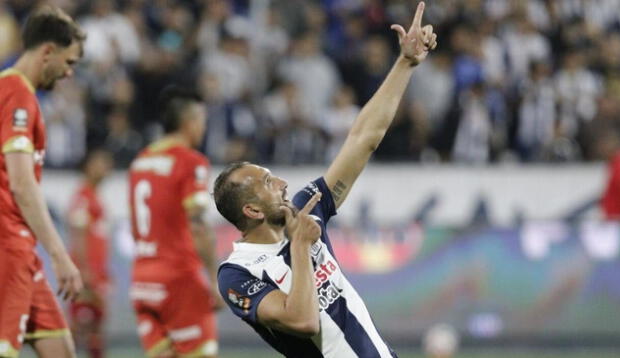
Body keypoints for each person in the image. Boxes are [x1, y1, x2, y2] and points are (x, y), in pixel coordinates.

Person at [212, 2, 437, 357]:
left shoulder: (306, 209)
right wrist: (300, 248)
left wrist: (405, 64)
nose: (283, 183)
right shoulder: (237, 274)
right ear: (252, 210)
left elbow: (363, 140)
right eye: (268, 182)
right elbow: (302, 322)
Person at [0, 6, 84, 358]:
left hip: (22, 250)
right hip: (8, 245)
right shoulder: (17, 94)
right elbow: (21, 183)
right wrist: (59, 254)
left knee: (61, 351)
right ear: (47, 51)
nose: (67, 73)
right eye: (68, 62)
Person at [128, 86, 223, 358]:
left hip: (142, 279)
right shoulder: (190, 161)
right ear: (190, 122)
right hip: (178, 278)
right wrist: (213, 280)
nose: (203, 129)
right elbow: (197, 224)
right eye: (202, 121)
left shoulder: (140, 162)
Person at [67, 150, 114, 358]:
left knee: (95, 324)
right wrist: (84, 270)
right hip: (86, 272)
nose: (104, 167)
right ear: (87, 167)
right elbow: (77, 234)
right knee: (80, 324)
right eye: (99, 163)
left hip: (97, 270)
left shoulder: (95, 197)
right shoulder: (83, 196)